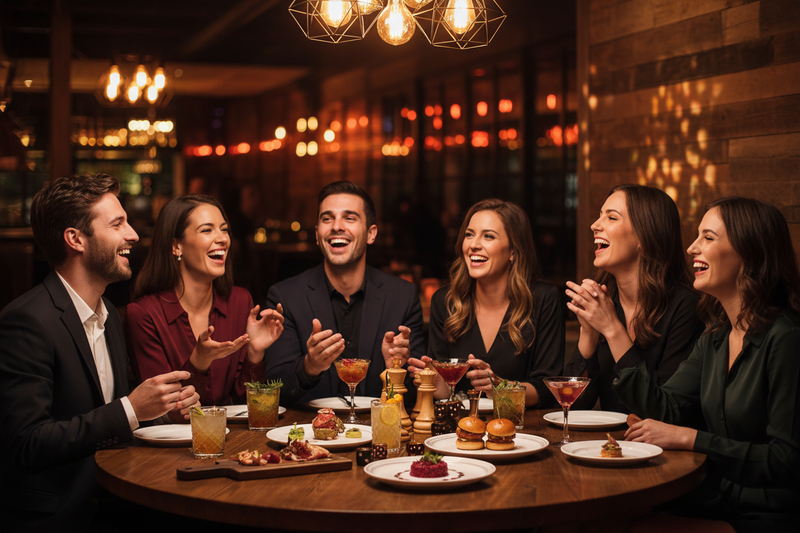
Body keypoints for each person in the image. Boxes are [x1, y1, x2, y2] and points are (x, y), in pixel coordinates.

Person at [0, 174, 200, 532]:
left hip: (119, 502)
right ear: (75, 239)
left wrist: (163, 413)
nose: (133, 235)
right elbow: (27, 443)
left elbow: (106, 417)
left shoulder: (107, 314)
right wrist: (132, 408)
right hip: (58, 518)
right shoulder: (26, 321)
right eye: (117, 223)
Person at [616, 197, 800, 532]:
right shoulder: (716, 336)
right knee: (604, 518)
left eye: (708, 238)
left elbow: (787, 462)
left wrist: (690, 438)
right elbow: (667, 409)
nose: (691, 248)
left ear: (749, 252)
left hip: (772, 515)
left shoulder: (787, 338)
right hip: (723, 499)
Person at [264, 181, 424, 404]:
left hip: (381, 433)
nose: (336, 226)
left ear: (371, 234)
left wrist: (394, 369)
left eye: (349, 218)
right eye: (327, 218)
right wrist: (309, 366)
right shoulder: (286, 297)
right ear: (318, 234)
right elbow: (271, 388)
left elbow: (420, 393)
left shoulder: (402, 297)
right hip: (310, 434)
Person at [125, 195, 284, 417]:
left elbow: (245, 405)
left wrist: (255, 353)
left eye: (224, 229)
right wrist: (198, 363)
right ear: (176, 246)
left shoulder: (240, 301)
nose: (222, 239)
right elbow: (164, 413)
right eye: (207, 230)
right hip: (170, 449)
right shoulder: (143, 314)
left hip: (235, 442)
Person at [409, 199, 564, 407]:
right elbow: (447, 391)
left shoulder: (544, 298)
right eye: (469, 235)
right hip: (458, 430)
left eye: (488, 236)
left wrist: (502, 389)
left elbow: (548, 388)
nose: (473, 245)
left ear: (513, 251)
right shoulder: (445, 302)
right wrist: (435, 384)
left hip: (524, 430)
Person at [564, 184, 704, 413]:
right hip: (608, 446)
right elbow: (572, 407)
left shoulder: (685, 307)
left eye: (611, 217)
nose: (594, 225)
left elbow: (662, 412)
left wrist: (612, 328)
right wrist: (588, 333)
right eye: (600, 216)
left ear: (644, 236)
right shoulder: (605, 300)